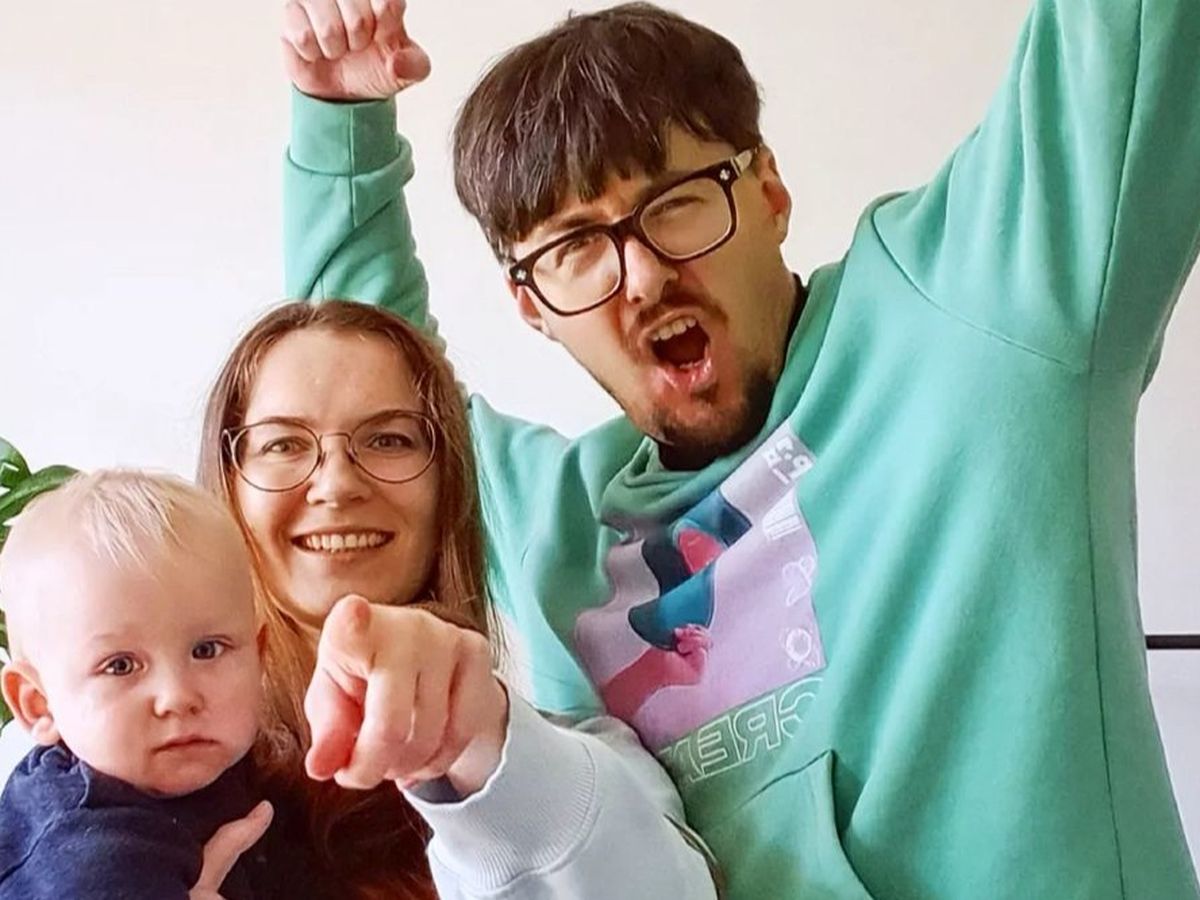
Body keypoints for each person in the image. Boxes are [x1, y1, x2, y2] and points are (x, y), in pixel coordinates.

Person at [279, 0, 1200, 897]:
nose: (642, 278)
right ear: (532, 306)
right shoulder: (553, 527)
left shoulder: (975, 311)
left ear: (768, 193)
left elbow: (1124, 37)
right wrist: (340, 120)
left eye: (677, 203)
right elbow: (358, 372)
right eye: (574, 248)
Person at [197, 299, 718, 898]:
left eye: (389, 439)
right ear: (228, 485)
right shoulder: (142, 775)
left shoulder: (578, 764)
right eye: (283, 445)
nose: (336, 484)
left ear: (448, 486)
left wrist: (483, 746)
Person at [0, 470, 275, 899]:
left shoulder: (231, 763)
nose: (177, 697)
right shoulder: (90, 862)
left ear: (259, 656)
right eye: (121, 666)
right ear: (39, 704)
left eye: (207, 650)